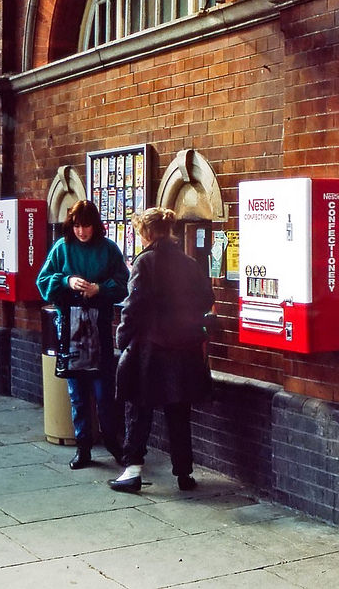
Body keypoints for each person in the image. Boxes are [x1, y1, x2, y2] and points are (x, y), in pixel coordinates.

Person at [108, 207, 214, 493]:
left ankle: (132, 471)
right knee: (179, 412)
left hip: (149, 351)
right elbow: (207, 298)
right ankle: (184, 474)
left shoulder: (145, 263)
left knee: (138, 410)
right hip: (183, 350)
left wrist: (122, 339)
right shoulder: (189, 263)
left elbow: (132, 307)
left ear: (146, 233)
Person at [36, 200, 129, 469]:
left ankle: (112, 442)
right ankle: (83, 447)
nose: (81, 231)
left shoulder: (109, 249)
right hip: (70, 327)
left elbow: (123, 282)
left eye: (86, 225)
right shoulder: (62, 247)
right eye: (76, 226)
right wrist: (67, 281)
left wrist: (99, 289)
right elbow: (43, 281)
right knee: (76, 393)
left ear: (95, 225)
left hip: (98, 325)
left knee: (103, 392)